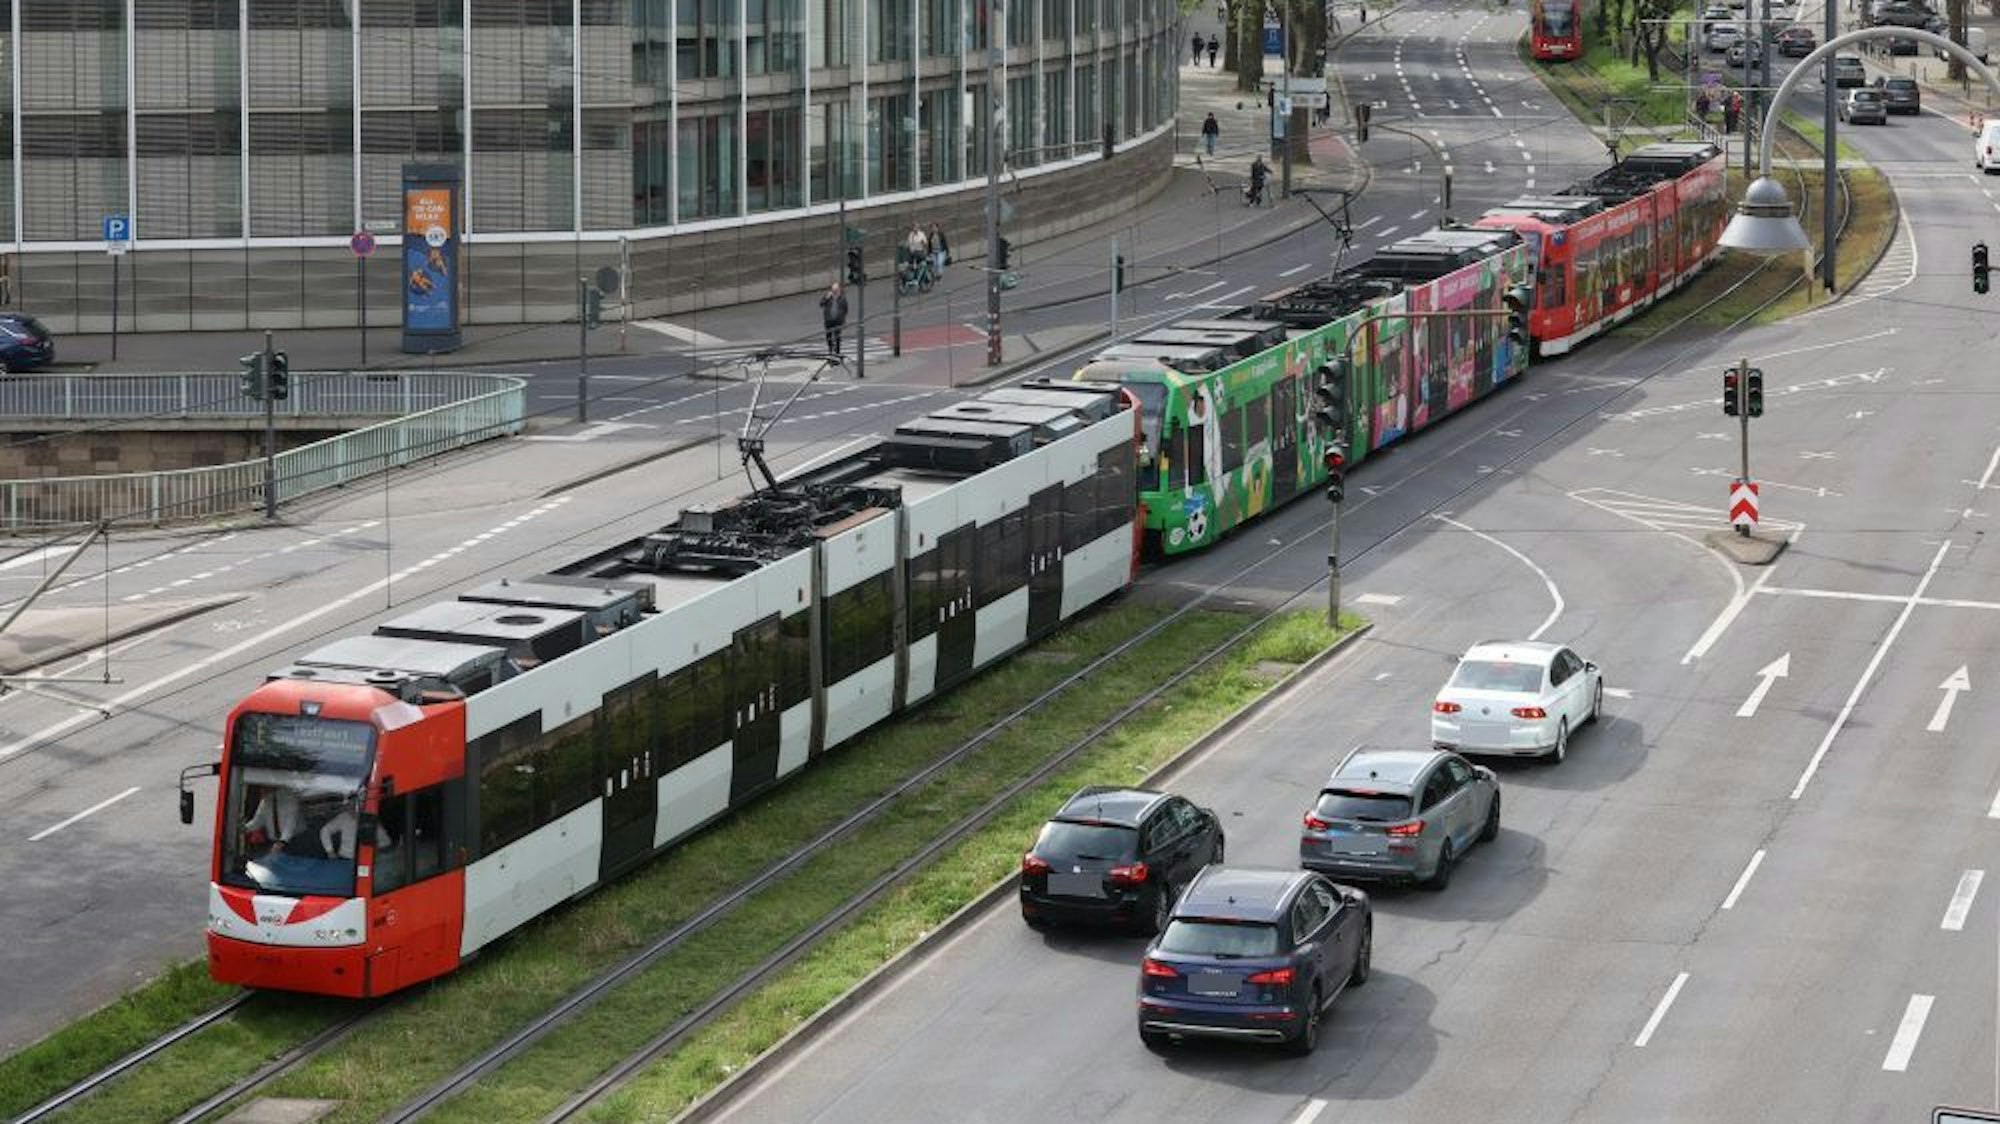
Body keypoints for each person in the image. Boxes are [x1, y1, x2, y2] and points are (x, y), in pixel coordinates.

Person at [319, 800, 391, 861]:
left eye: (355, 805)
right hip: (345, 858)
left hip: (366, 860)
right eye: (350, 805)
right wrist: (330, 851)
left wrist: (375, 850)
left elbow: (386, 841)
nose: (352, 808)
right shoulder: (343, 817)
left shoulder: (370, 819)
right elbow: (325, 830)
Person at [244, 785, 304, 852]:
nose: (261, 790)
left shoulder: (289, 798)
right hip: (275, 841)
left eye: (263, 787)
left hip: (294, 840)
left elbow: (290, 824)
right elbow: (258, 821)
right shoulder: (265, 801)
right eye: (260, 788)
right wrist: (245, 828)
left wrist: (282, 842)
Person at [820, 281, 847, 356]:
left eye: (836, 290)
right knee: (828, 336)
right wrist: (826, 298)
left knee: (837, 336)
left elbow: (845, 309)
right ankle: (830, 349)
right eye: (833, 290)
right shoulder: (828, 296)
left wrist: (843, 320)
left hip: (838, 320)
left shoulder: (842, 297)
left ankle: (837, 351)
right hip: (829, 320)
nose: (834, 291)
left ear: (839, 289)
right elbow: (821, 304)